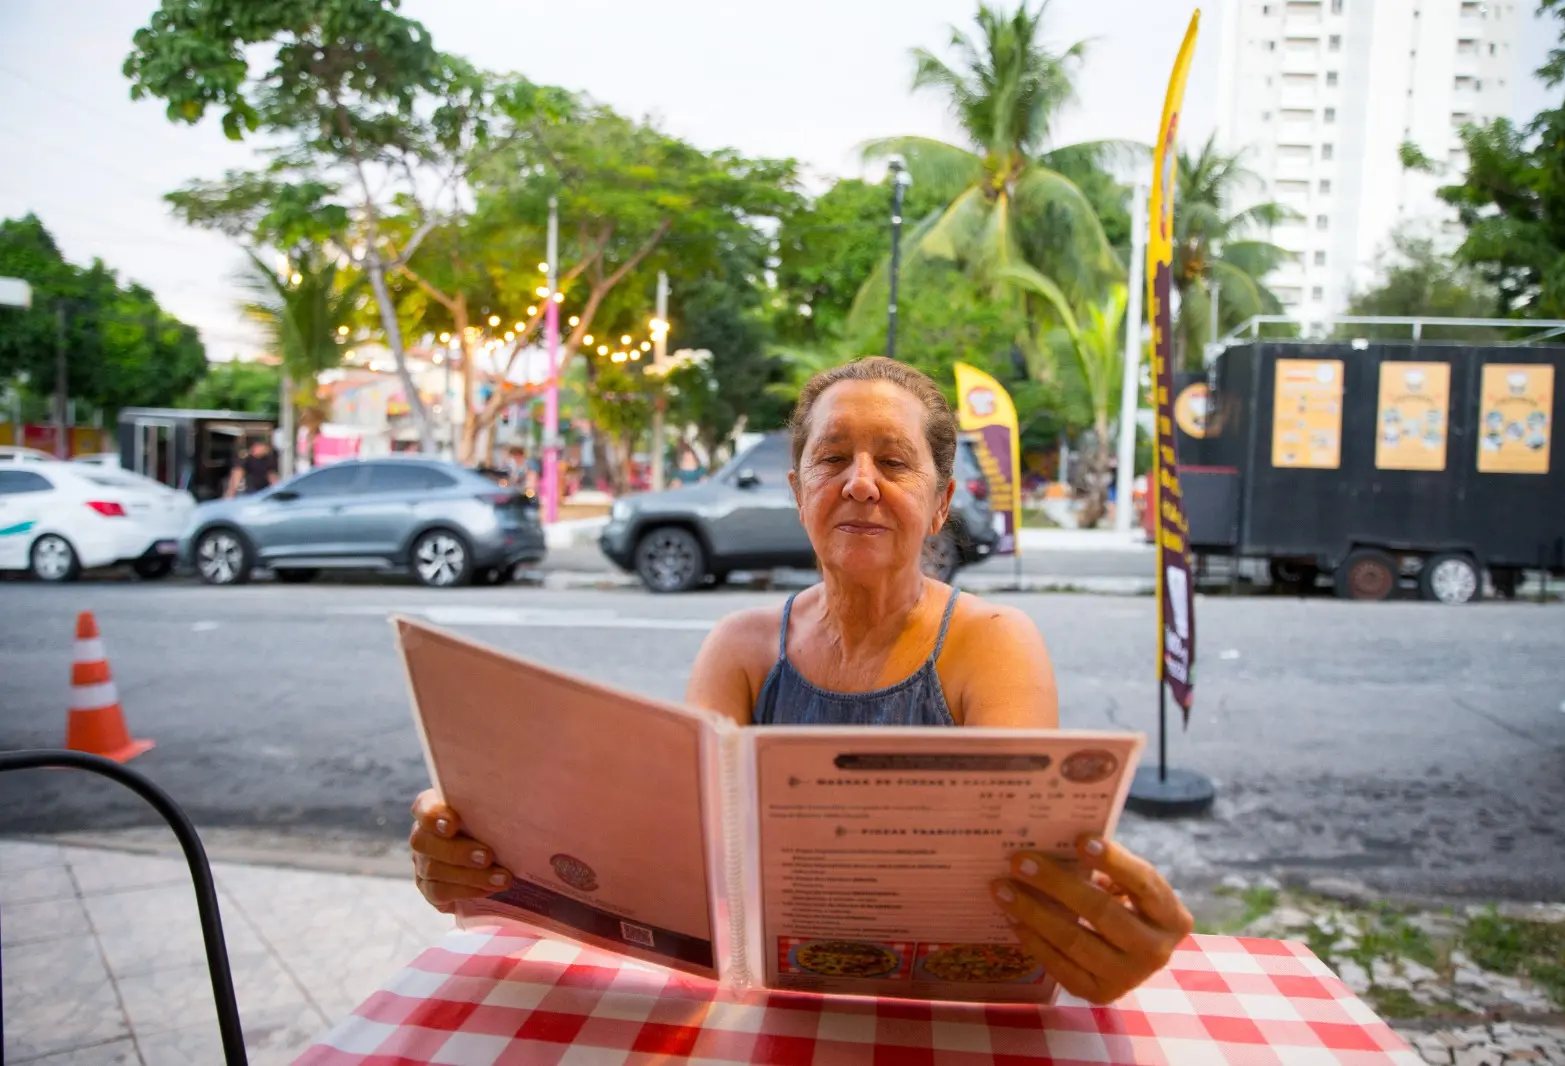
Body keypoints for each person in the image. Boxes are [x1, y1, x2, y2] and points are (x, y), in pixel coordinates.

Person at [408, 357, 1192, 1005]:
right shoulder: (741, 648)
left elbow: (1031, 878)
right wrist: (484, 859)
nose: (860, 483)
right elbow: (681, 865)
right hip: (770, 1013)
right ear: (798, 492)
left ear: (941, 502)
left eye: (893, 462)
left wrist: (1096, 933)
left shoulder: (992, 644)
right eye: (832, 458)